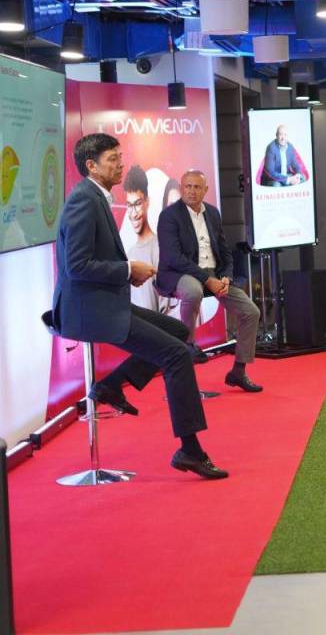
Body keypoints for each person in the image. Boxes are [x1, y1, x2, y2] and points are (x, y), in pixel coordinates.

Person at [51, 134, 226, 479]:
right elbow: (76, 266)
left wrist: (126, 273)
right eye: (113, 159)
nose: (120, 164)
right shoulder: (84, 202)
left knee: (177, 330)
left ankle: (112, 385)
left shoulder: (97, 197)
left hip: (104, 301)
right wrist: (129, 270)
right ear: (92, 165)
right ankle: (190, 450)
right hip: (89, 309)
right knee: (176, 353)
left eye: (119, 157)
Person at [157, 170, 263, 392]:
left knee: (251, 312)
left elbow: (225, 253)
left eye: (197, 187)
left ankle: (238, 371)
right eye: (187, 187)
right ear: (182, 188)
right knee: (193, 291)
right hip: (181, 273)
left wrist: (226, 277)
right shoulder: (169, 216)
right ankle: (188, 345)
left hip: (214, 275)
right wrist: (207, 280)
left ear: (205, 190)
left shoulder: (213, 214)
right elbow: (173, 257)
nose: (191, 191)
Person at [122, 165, 161, 312]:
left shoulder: (161, 247)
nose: (133, 213)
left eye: (137, 204)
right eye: (129, 205)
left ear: (147, 202)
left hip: (159, 331)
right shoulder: (128, 254)